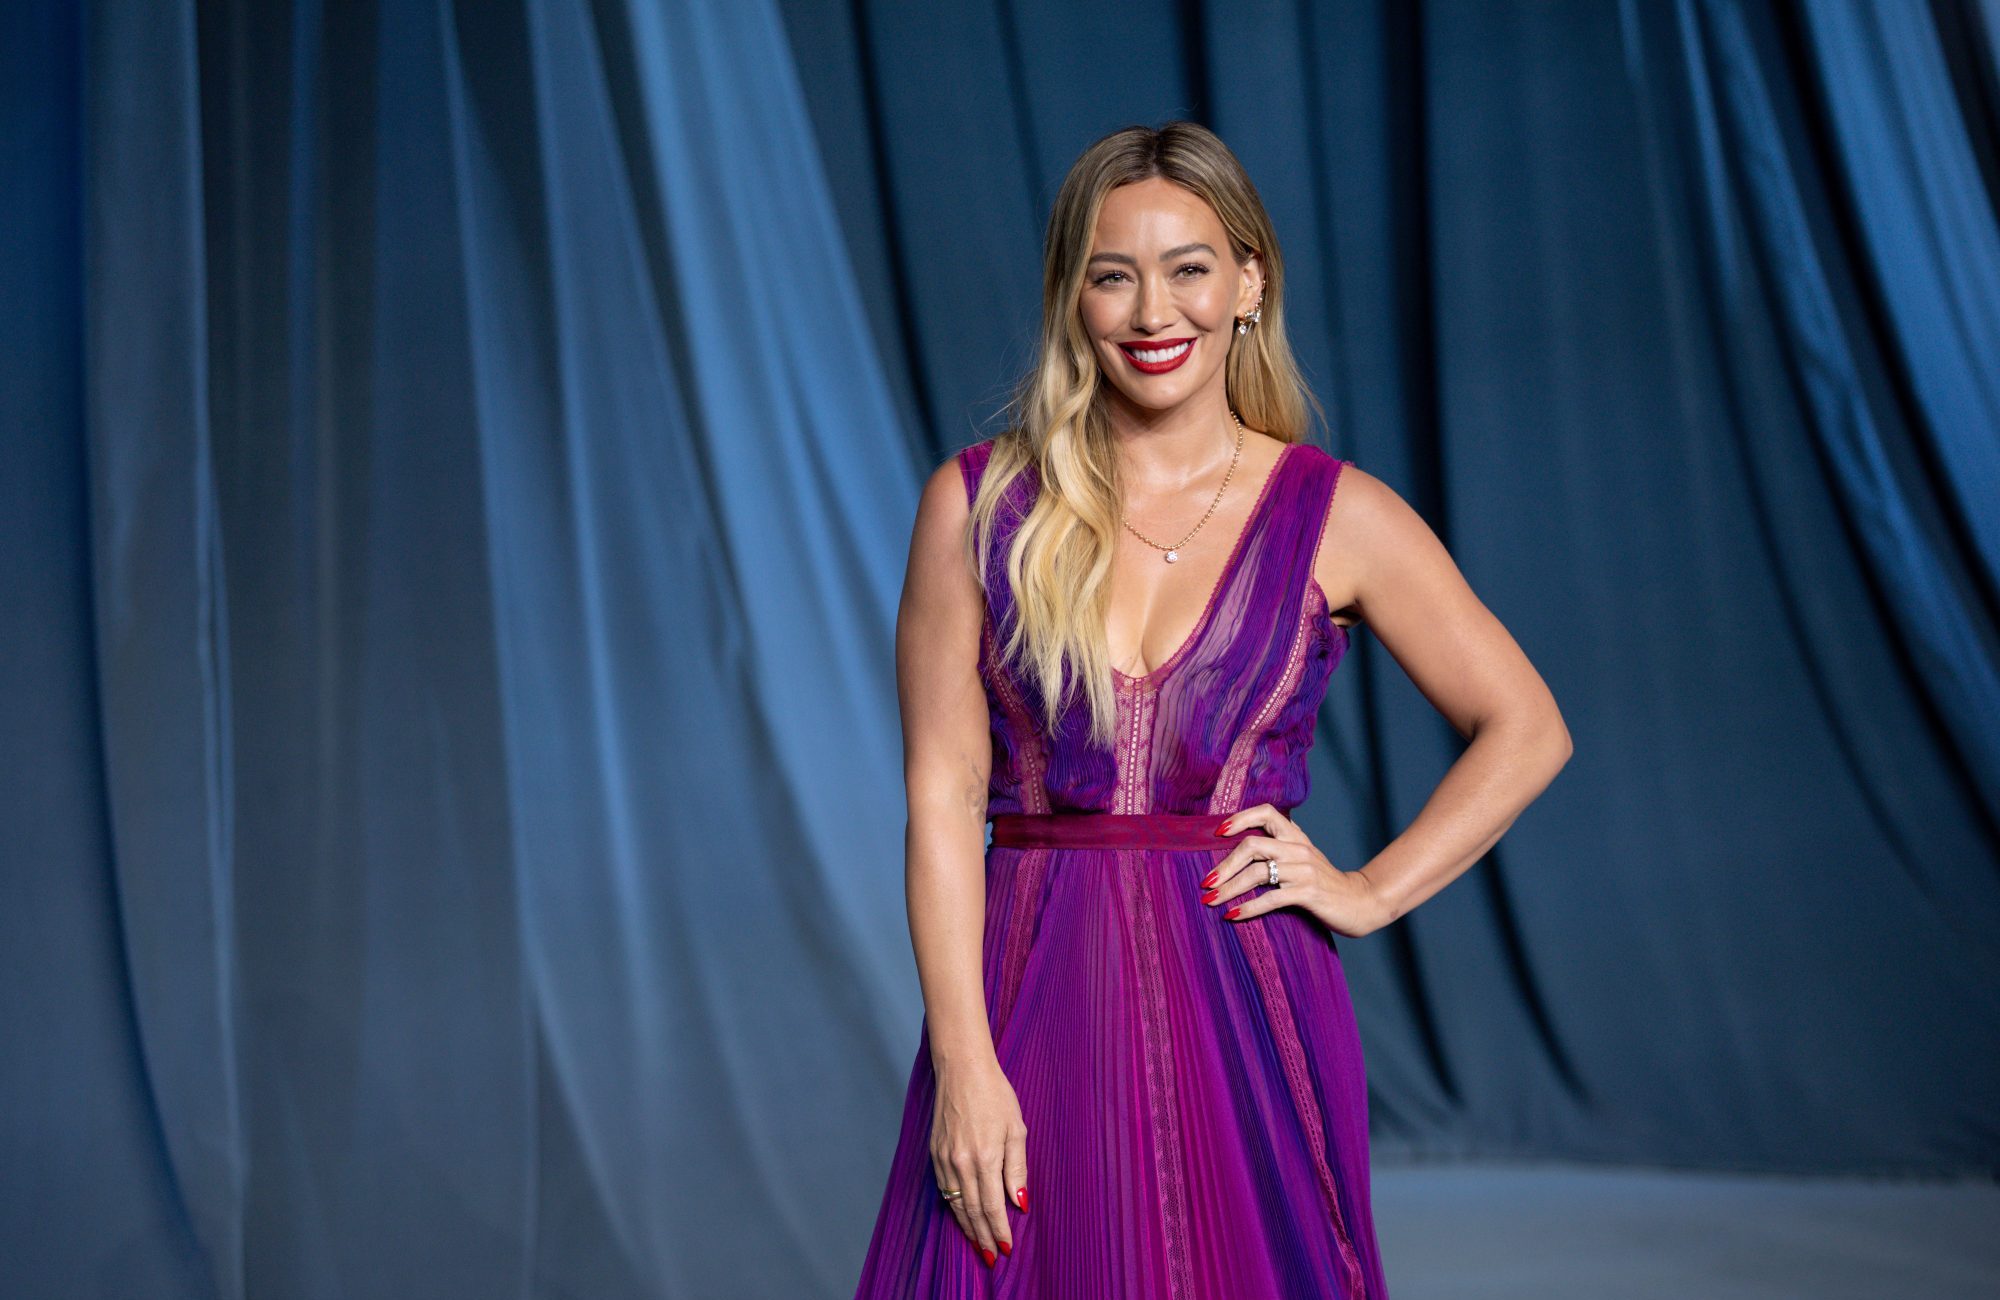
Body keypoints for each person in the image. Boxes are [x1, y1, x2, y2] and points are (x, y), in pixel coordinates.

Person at [852, 120, 1571, 1299]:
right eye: (1111, 273)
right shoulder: (979, 504)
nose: (1152, 312)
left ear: (1248, 282)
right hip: (1027, 986)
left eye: (1188, 267)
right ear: (1070, 298)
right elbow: (937, 795)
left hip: (1248, 996)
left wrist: (1370, 889)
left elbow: (1526, 725)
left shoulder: (1335, 514)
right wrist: (963, 1061)